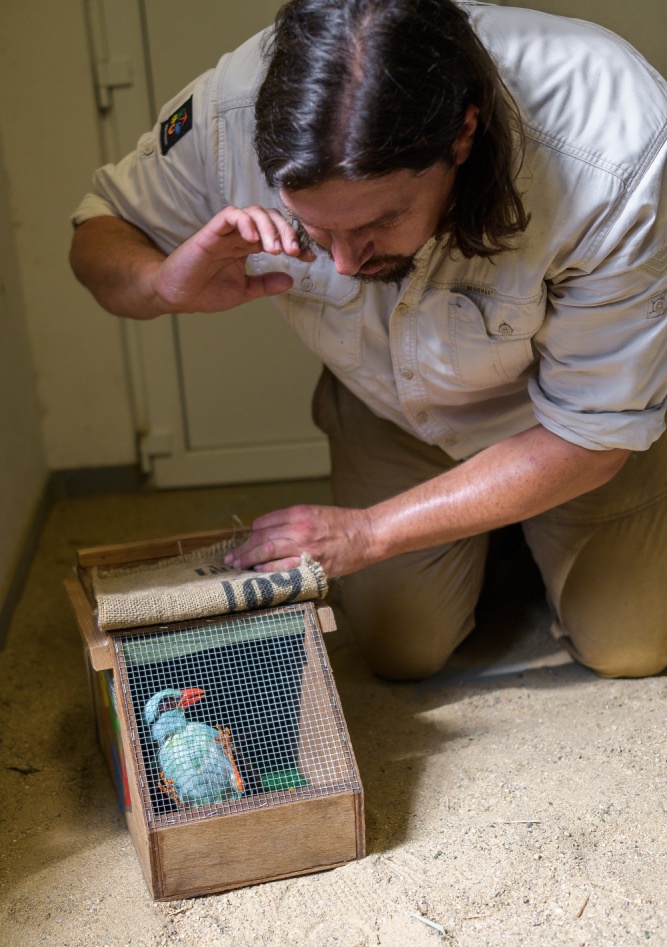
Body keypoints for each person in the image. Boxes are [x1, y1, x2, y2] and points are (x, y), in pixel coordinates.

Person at [70, 0, 667, 682]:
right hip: (391, 404)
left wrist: (367, 533)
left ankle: (530, 529)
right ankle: (490, 536)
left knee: (632, 649)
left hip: (562, 422)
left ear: (462, 136)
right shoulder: (227, 111)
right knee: (400, 652)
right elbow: (98, 230)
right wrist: (157, 285)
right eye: (317, 233)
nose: (345, 264)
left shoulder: (616, 141)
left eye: (379, 221)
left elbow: (593, 434)